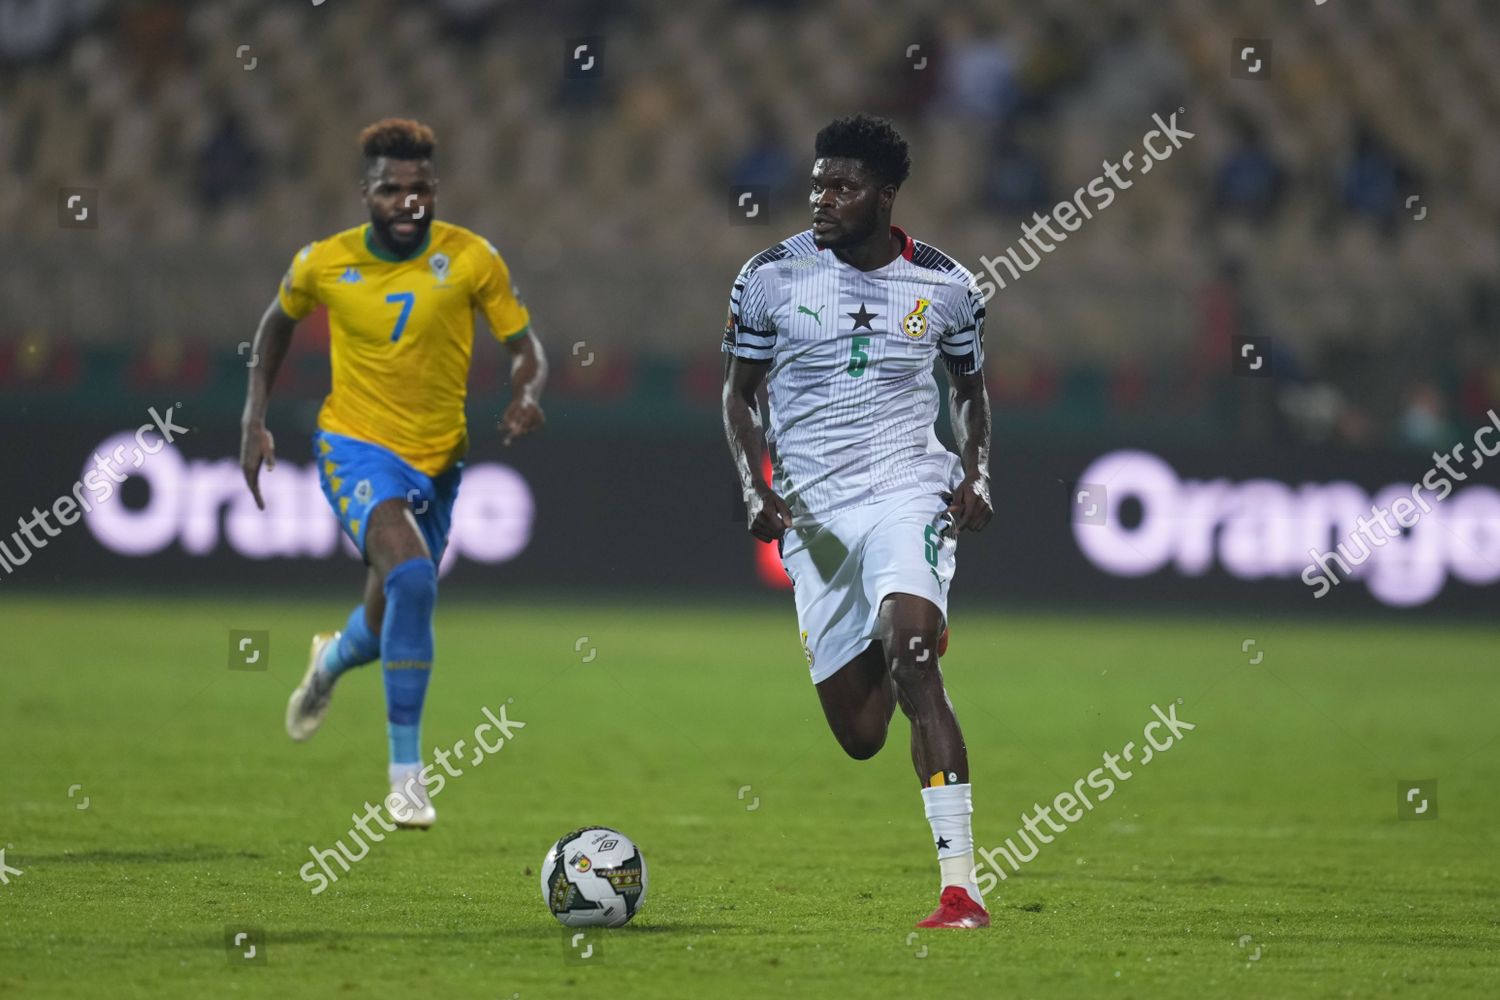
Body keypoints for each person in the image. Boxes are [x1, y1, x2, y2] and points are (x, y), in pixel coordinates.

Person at [721, 113, 993, 928]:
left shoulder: (948, 286)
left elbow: (971, 393)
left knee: (915, 664)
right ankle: (902, 617)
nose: (821, 200)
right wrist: (755, 488)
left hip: (910, 487)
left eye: (841, 187)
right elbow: (737, 394)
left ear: (885, 196)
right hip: (814, 517)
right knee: (862, 733)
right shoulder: (768, 278)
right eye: (817, 185)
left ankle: (962, 889)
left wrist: (976, 474)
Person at [239, 118, 547, 829]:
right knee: (413, 578)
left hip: (440, 457)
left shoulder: (471, 259)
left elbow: (525, 345)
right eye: (389, 190)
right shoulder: (324, 262)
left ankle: (329, 661)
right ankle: (407, 774)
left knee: (388, 619)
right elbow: (273, 327)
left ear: (433, 190)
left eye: (417, 190)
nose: (405, 203)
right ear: (366, 194)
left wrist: (527, 392)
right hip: (356, 445)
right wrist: (253, 418)